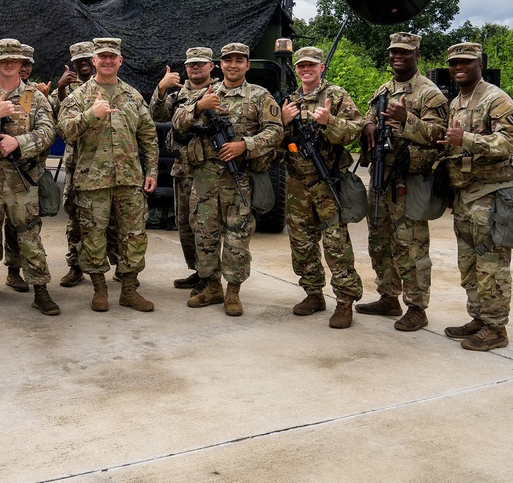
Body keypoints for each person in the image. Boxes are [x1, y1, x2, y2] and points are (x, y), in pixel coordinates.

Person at [173, 43, 283, 316]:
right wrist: (199, 107)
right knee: (204, 236)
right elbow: (177, 121)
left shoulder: (259, 96)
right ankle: (211, 287)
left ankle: (233, 292)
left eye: (239, 60)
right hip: (205, 180)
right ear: (220, 65)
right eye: (228, 60)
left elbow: (276, 131)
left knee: (237, 238)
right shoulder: (205, 92)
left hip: (239, 179)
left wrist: (245, 145)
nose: (233, 65)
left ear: (247, 65)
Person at [0, 39, 60, 317]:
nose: (9, 63)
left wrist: (19, 143)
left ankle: (40, 290)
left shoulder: (35, 97)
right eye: (3, 59)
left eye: (14, 59)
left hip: (22, 181)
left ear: (21, 64)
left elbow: (48, 132)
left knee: (30, 237)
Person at [58, 38, 158, 312]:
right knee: (93, 235)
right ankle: (99, 289)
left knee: (134, 235)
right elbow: (65, 130)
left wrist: (151, 171)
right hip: (92, 181)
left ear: (120, 61)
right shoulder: (79, 97)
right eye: (102, 57)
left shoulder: (133, 95)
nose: (107, 61)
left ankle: (129, 289)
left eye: (112, 56)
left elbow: (148, 135)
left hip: (129, 180)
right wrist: (91, 115)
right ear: (94, 61)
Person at [356, 33, 448, 331]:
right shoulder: (383, 89)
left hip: (408, 181)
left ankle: (417, 307)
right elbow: (367, 118)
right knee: (379, 241)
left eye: (404, 53)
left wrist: (407, 117)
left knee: (410, 245)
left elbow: (440, 135)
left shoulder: (429, 94)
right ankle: (387, 296)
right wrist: (369, 124)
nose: (397, 57)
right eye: (394, 52)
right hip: (381, 177)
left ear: (416, 55)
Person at [438, 42, 513, 351]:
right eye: (453, 63)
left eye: (465, 62)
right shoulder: (456, 103)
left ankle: (496, 328)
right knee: (469, 263)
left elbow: (510, 142)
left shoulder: (496, 99)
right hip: (465, 195)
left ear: (480, 64)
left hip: (491, 195)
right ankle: (478, 318)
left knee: (492, 264)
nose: (458, 67)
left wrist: (468, 139)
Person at [281, 46, 364, 329]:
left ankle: (344, 302)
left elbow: (356, 131)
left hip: (327, 181)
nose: (306, 70)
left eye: (311, 66)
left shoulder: (336, 95)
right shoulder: (289, 100)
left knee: (336, 244)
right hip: (297, 183)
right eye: (302, 66)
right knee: (302, 244)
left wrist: (330, 122)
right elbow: (274, 139)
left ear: (321, 68)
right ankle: (313, 294)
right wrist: (282, 122)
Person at [148, 47, 215, 291]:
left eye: (200, 63)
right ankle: (198, 270)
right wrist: (162, 87)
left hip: (208, 168)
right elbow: (155, 113)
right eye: (190, 64)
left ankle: (210, 277)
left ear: (211, 66)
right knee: (185, 223)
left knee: (205, 223)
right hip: (181, 166)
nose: (195, 67)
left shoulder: (219, 91)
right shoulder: (177, 95)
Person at [54, 41, 120, 286]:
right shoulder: (68, 88)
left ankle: (115, 262)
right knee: (75, 215)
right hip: (75, 162)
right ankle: (75, 265)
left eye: (86, 60)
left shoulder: (106, 83)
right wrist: (61, 90)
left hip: (104, 164)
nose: (82, 64)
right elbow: (59, 122)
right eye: (78, 61)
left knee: (109, 217)